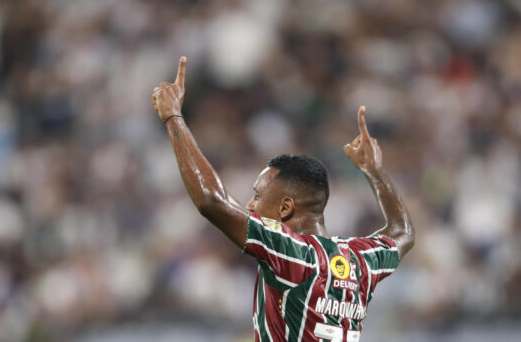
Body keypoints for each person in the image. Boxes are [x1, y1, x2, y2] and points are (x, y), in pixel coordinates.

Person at [151, 57, 415, 342]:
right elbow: (403, 232)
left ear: (286, 207)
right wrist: (376, 173)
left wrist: (173, 117)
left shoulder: (292, 252)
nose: (250, 204)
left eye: (257, 196)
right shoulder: (359, 260)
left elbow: (210, 200)